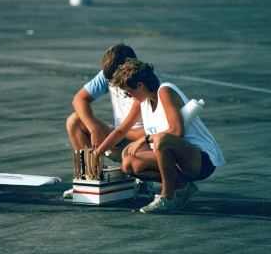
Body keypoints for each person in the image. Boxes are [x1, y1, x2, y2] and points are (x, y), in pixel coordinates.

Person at [94, 58, 225, 213]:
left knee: (161, 140)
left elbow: (177, 131)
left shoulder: (165, 91)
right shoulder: (142, 101)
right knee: (128, 163)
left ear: (140, 85)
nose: (129, 96)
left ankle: (167, 198)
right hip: (175, 160)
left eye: (129, 91)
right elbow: (121, 131)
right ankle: (182, 187)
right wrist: (97, 152)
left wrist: (145, 138)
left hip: (201, 159)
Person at [65, 44, 149, 198]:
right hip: (120, 135)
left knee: (136, 155)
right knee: (74, 121)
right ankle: (89, 181)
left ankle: (144, 183)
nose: (115, 84)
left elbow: (158, 129)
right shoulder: (109, 75)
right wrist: (94, 129)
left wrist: (113, 139)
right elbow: (79, 99)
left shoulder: (145, 83)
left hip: (143, 142)